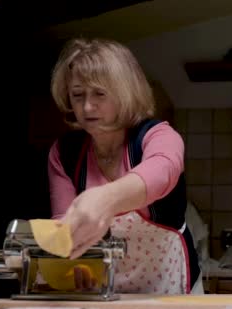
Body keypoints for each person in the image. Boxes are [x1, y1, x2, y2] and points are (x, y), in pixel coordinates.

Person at [47, 37, 202, 294]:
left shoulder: (158, 136)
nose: (86, 106)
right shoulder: (64, 153)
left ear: (124, 92)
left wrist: (106, 199)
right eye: (77, 95)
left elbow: (162, 171)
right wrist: (75, 265)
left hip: (172, 287)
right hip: (105, 291)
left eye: (99, 93)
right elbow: (65, 226)